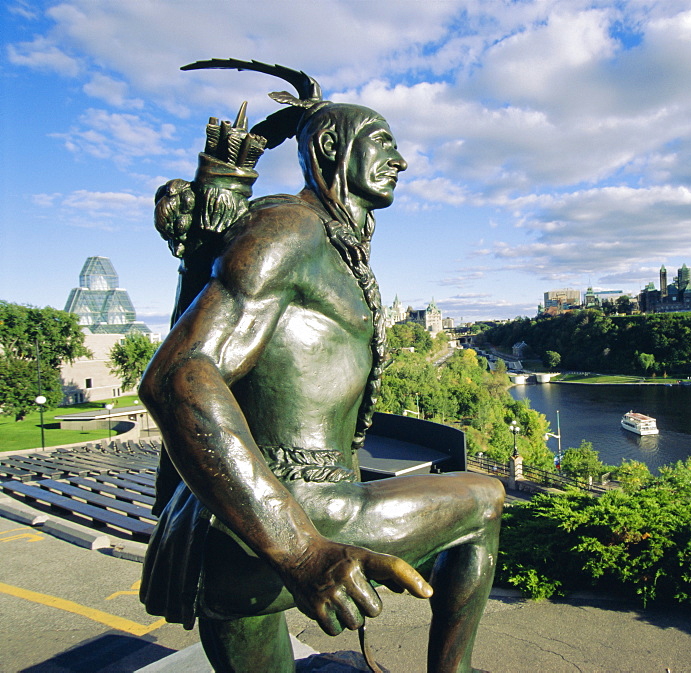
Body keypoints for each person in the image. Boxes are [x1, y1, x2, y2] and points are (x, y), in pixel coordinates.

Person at [139, 84, 505, 673]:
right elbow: (179, 374)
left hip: (235, 538)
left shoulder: (328, 244)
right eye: (383, 142)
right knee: (485, 499)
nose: (401, 160)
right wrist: (302, 550)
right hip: (295, 515)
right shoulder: (291, 229)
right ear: (333, 145)